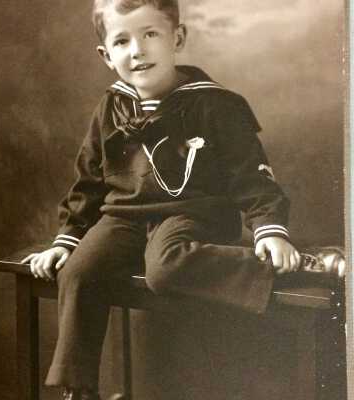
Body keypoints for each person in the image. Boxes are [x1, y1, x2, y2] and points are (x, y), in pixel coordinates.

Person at [22, 1, 301, 399]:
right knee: (78, 272)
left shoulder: (215, 104)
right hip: (123, 218)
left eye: (150, 34)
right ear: (106, 55)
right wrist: (66, 240)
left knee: (165, 267)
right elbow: (88, 182)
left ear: (178, 38)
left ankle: (277, 270)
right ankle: (78, 389)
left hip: (192, 213)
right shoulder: (111, 106)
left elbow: (250, 175)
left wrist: (269, 229)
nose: (137, 50)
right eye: (122, 41)